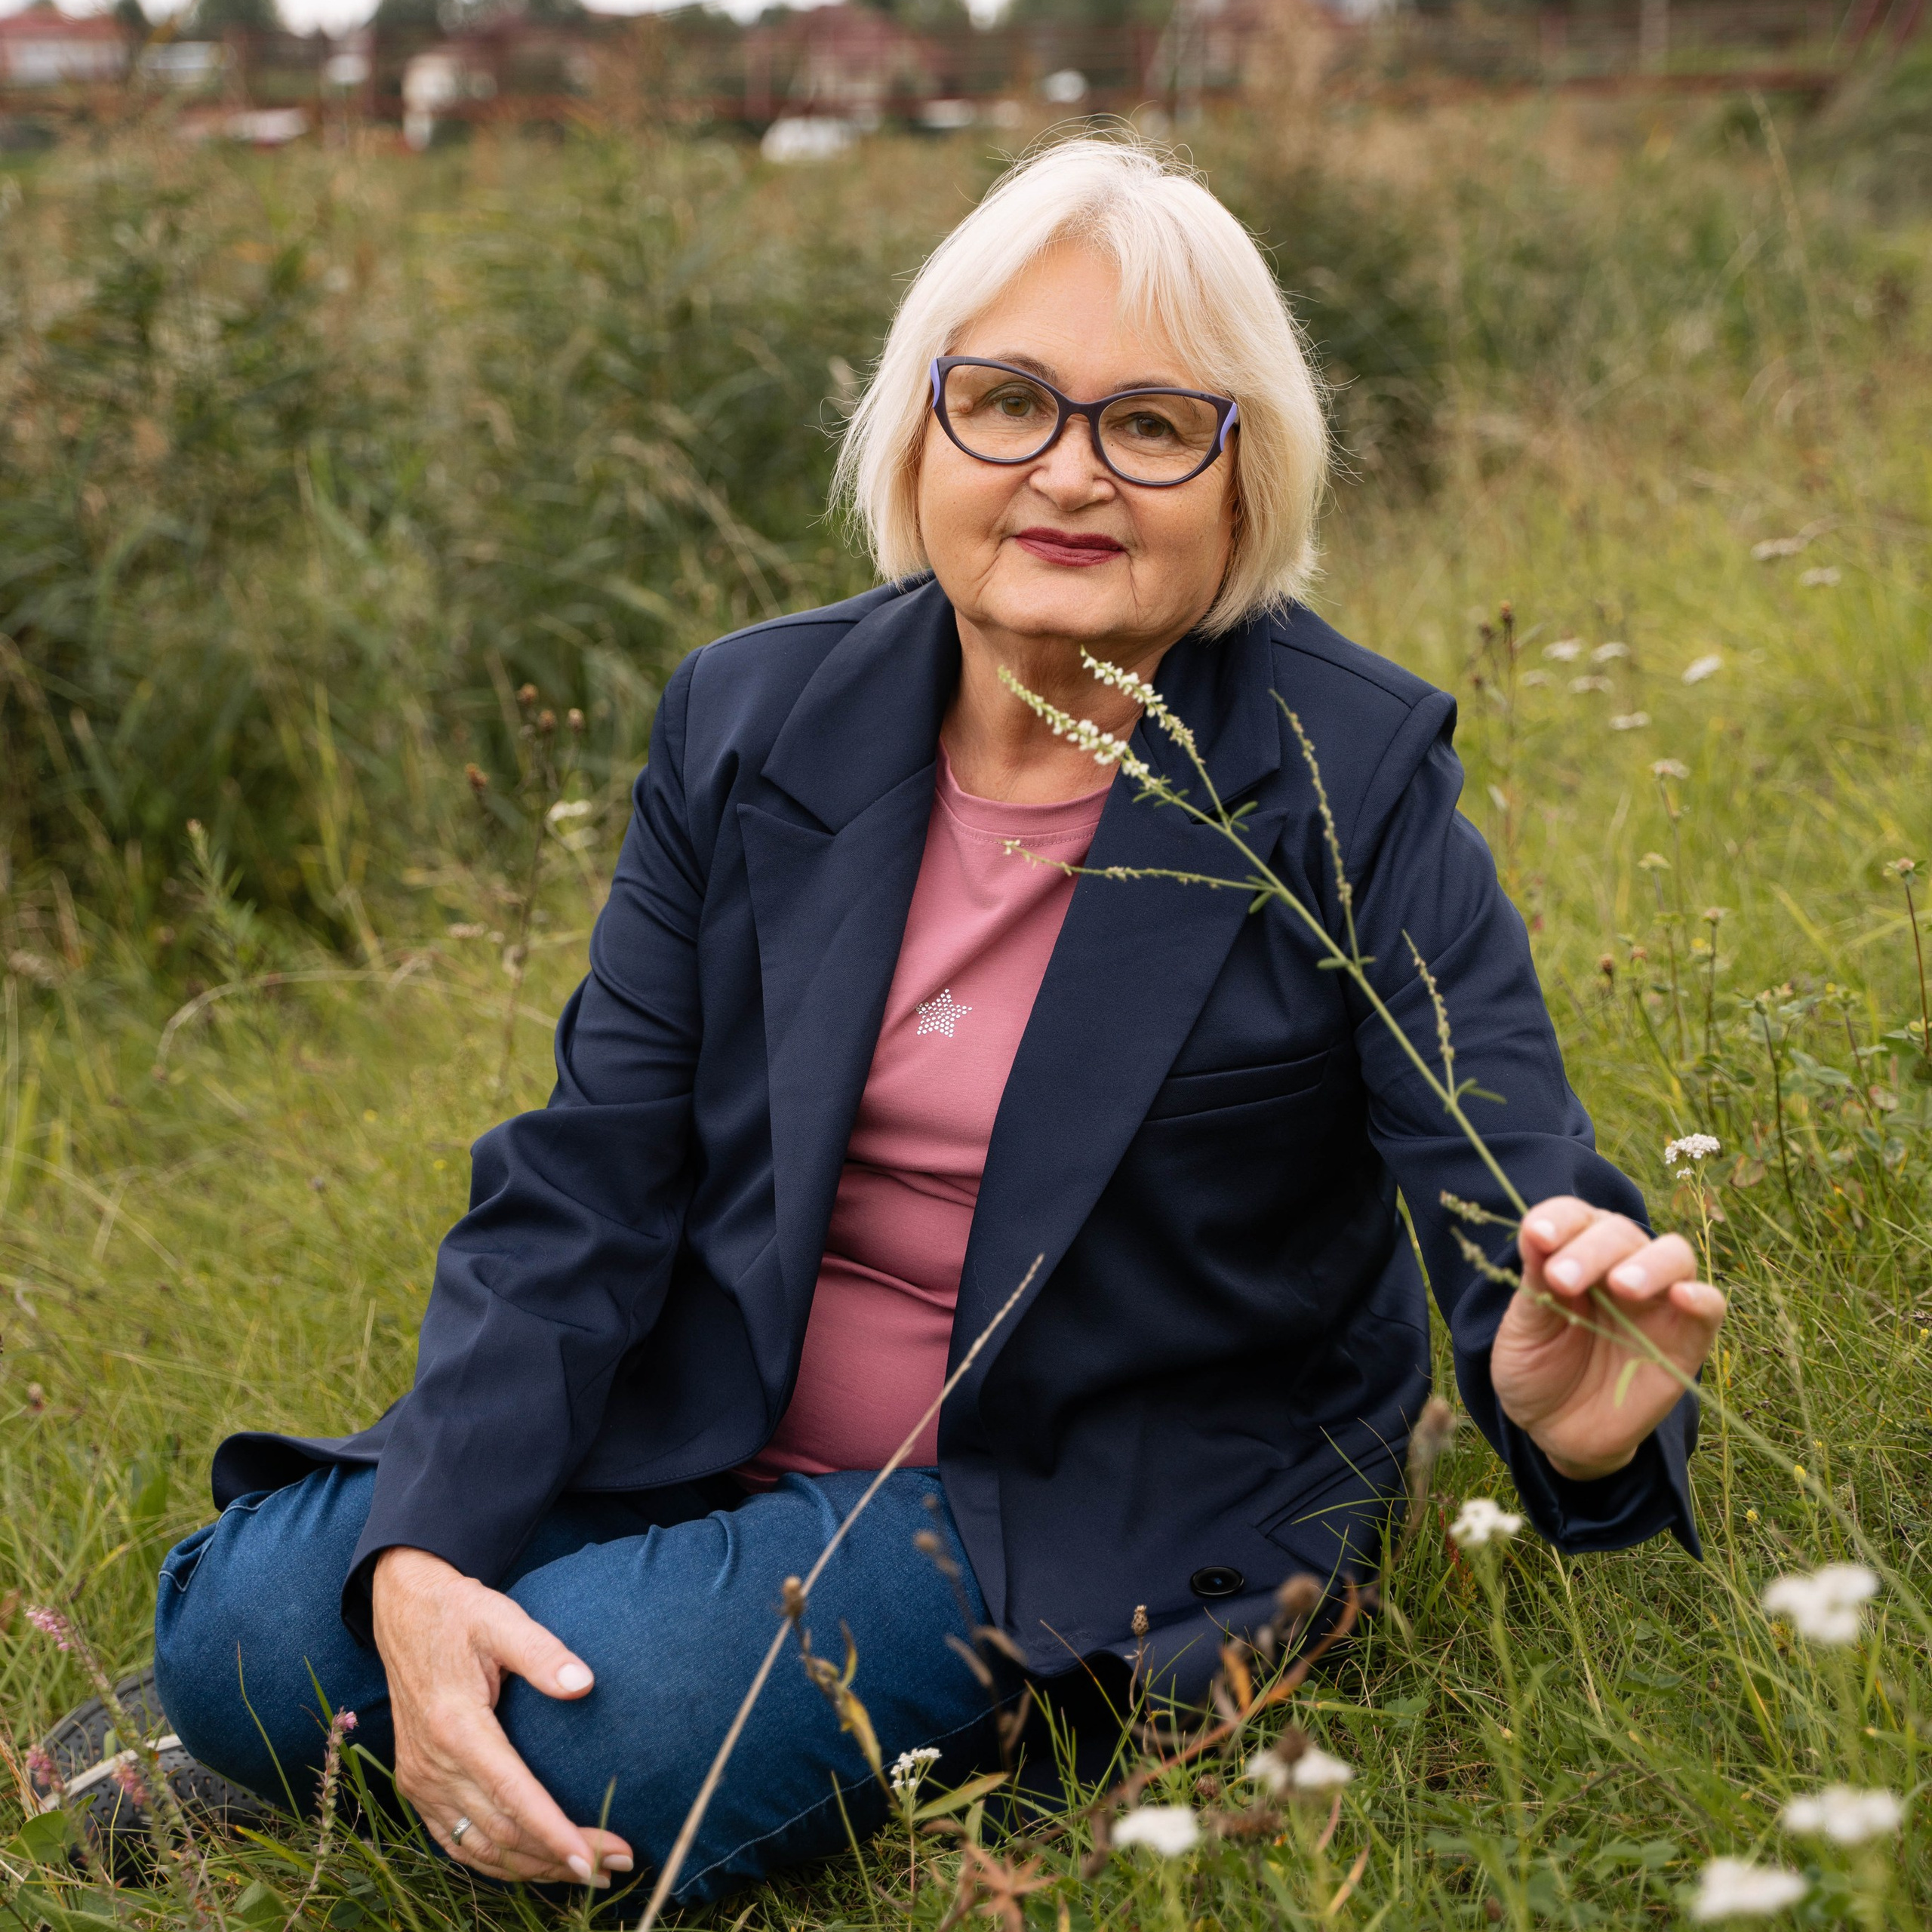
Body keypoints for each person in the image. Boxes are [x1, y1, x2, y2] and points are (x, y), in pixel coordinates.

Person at [94, 137, 1724, 1905]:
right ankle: (391, 1695)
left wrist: (1570, 1407)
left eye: (1154, 424)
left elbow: (1506, 1164)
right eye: (1007, 401)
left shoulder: (1346, 774)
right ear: (917, 433)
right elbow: (588, 1177)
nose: (1069, 475)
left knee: (612, 1724)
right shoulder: (750, 716)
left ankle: (393, 1744)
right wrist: (418, 1555)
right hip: (707, 1421)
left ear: (1244, 483)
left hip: (1056, 1490)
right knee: (250, 1614)